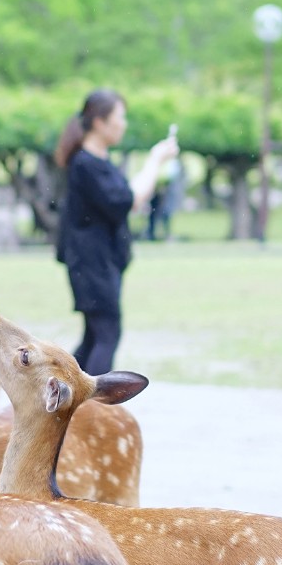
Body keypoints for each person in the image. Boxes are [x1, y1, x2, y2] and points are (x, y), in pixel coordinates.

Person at [54, 90, 178, 376]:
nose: (124, 124)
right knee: (107, 333)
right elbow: (127, 200)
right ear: (99, 122)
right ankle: (93, 406)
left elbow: (124, 196)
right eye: (120, 118)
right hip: (92, 262)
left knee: (95, 336)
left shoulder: (95, 162)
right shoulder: (86, 163)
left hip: (98, 262)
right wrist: (155, 160)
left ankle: (60, 395)